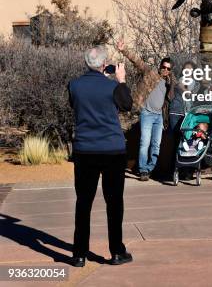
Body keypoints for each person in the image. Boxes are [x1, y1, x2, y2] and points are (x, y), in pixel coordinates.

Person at [68, 46, 133, 267]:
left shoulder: (74, 85)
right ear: (104, 65)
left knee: (83, 202)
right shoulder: (113, 86)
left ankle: (79, 254)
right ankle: (116, 251)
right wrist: (121, 80)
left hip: (85, 150)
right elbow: (127, 104)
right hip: (112, 150)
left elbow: (76, 105)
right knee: (114, 202)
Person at [117, 40, 173, 181]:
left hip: (159, 116)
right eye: (164, 67)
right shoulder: (151, 73)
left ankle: (149, 168)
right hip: (147, 114)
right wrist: (124, 50)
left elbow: (181, 89)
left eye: (168, 68)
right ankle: (143, 170)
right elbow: (137, 61)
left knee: (156, 145)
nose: (165, 70)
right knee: (144, 142)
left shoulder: (170, 83)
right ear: (160, 66)